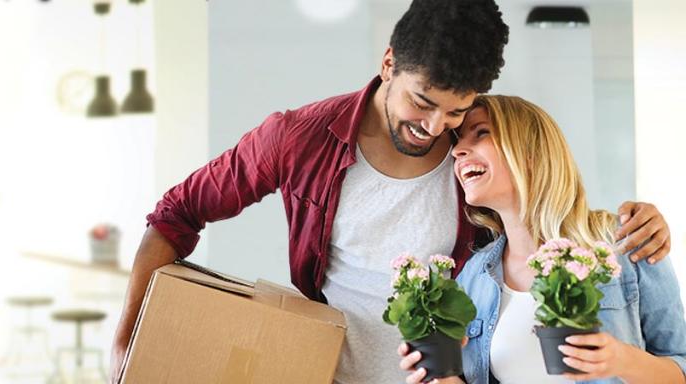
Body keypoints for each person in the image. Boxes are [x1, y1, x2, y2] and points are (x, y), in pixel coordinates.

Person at [111, 1, 672, 382]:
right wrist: (126, 338)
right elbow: (175, 215)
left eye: (455, 112)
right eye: (422, 103)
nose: (435, 128)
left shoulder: (471, 163)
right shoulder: (297, 138)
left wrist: (637, 219)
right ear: (388, 63)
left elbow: (541, 216)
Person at [399, 95, 686, 384]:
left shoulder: (627, 242)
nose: (457, 150)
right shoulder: (473, 277)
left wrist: (621, 359)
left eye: (482, 132)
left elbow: (681, 367)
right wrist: (441, 377)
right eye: (459, 140)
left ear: (530, 150)